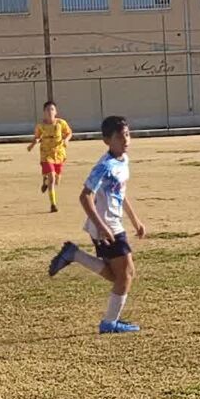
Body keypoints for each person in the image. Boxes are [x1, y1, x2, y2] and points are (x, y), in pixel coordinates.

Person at [47, 115, 147, 334]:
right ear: (107, 141)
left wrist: (135, 219)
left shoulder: (123, 160)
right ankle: (109, 323)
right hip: (106, 225)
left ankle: (74, 255)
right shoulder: (104, 166)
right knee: (126, 274)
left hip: (112, 223)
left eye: (128, 135)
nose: (126, 141)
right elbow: (85, 196)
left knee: (118, 275)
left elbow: (120, 193)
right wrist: (101, 225)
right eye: (120, 137)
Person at [28, 101, 73, 213]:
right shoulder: (40, 126)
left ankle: (45, 180)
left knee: (57, 180)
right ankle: (53, 205)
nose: (50, 112)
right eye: (47, 110)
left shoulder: (61, 123)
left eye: (52, 109)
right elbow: (37, 137)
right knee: (52, 178)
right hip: (46, 155)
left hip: (59, 154)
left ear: (56, 111)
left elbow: (69, 133)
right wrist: (33, 144)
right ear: (44, 112)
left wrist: (66, 140)